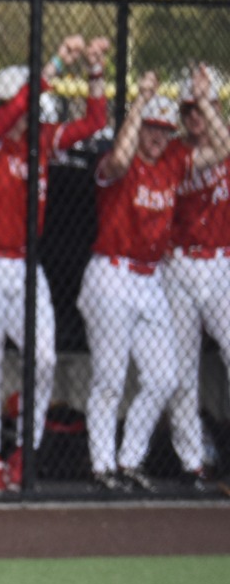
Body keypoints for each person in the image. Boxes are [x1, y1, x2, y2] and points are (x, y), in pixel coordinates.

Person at [0, 40, 111, 493]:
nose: (25, 112)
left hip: (23, 263)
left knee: (42, 358)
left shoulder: (39, 139)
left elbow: (95, 122)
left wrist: (96, 69)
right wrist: (57, 61)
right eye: (16, 104)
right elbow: (6, 116)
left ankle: (24, 452)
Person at [82, 72, 230, 492]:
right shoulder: (121, 164)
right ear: (139, 126)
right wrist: (138, 105)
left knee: (164, 377)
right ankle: (103, 466)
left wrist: (203, 103)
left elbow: (224, 147)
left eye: (164, 130)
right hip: (113, 273)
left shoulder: (172, 162)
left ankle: (128, 461)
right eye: (153, 128)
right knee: (109, 379)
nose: (158, 137)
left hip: (150, 280)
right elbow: (121, 158)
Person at [164, 66, 230, 489]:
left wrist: (208, 100)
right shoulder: (173, 153)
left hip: (222, 261)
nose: (194, 118)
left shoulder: (225, 141)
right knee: (181, 369)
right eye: (188, 110)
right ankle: (193, 461)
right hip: (181, 265)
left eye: (201, 109)